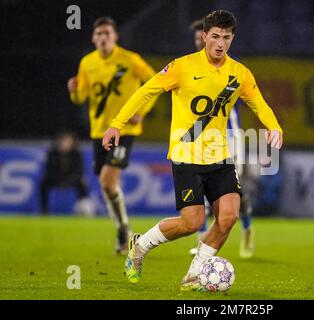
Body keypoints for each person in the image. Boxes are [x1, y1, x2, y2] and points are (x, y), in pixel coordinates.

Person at [102, 10, 283, 290]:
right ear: (204, 37)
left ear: (232, 38)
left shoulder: (239, 73)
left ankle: (195, 273)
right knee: (192, 222)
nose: (220, 43)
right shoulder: (182, 67)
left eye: (226, 37)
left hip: (220, 156)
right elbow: (146, 91)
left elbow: (259, 103)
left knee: (229, 216)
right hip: (187, 156)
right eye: (215, 37)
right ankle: (140, 245)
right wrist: (116, 124)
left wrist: (274, 127)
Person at [67, 17, 159, 254]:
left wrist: (143, 111)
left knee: (107, 180)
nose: (103, 37)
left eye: (107, 33)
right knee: (107, 185)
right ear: (93, 38)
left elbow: (156, 82)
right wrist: (74, 91)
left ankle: (121, 230)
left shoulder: (129, 60)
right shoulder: (87, 63)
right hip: (99, 131)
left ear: (115, 36)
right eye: (99, 34)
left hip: (124, 129)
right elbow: (81, 97)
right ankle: (124, 227)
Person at [189, 18, 255, 259]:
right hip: (201, 139)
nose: (201, 43)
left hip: (230, 139)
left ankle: (247, 230)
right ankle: (202, 244)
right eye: (198, 39)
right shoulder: (191, 69)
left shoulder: (229, 69)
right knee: (201, 191)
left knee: (234, 194)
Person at [39, 132, 89, 215]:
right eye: (64, 141)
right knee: (43, 183)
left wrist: (68, 181)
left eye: (68, 141)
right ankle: (44, 211)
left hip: (71, 180)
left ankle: (81, 209)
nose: (65, 144)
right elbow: (49, 170)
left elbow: (79, 172)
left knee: (83, 184)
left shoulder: (76, 154)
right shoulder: (52, 153)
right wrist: (59, 180)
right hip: (56, 179)